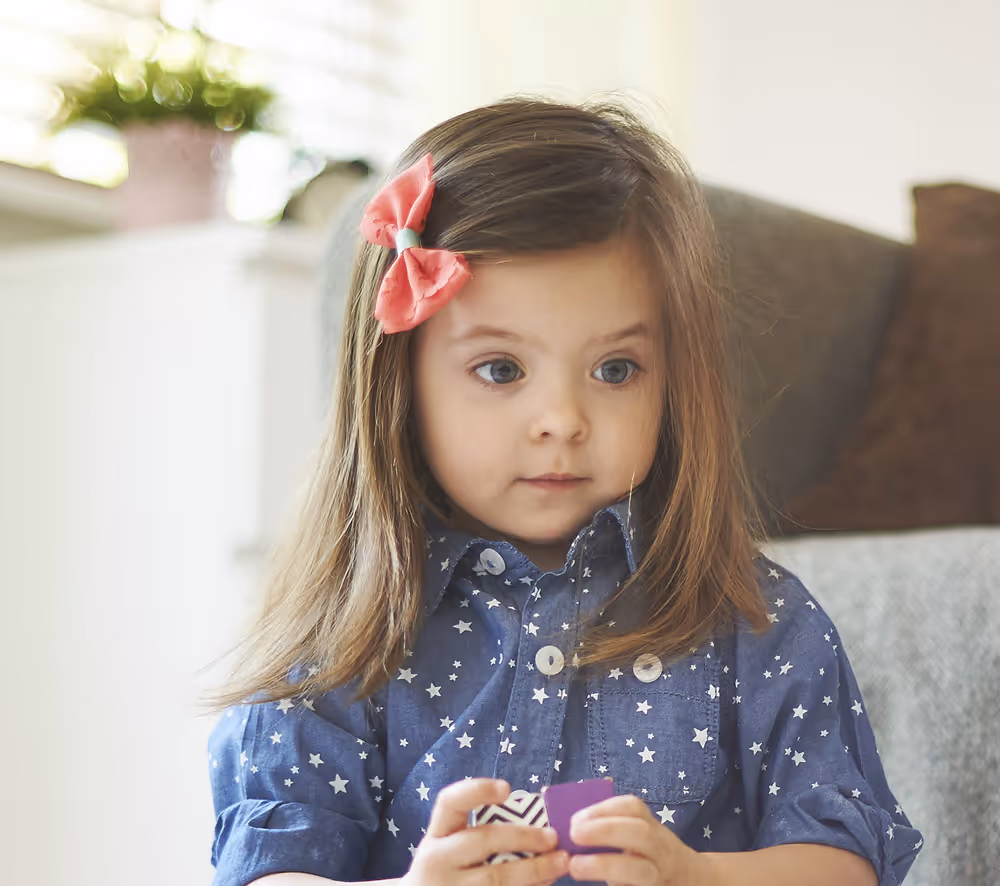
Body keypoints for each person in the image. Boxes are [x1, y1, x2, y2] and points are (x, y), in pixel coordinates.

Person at [203, 98, 922, 886]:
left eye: (615, 369)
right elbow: (271, 869)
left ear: (673, 383)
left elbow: (846, 863)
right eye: (502, 370)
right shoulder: (338, 645)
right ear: (396, 385)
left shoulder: (759, 623)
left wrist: (697, 877)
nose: (562, 421)